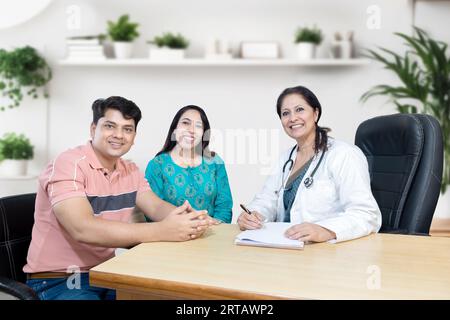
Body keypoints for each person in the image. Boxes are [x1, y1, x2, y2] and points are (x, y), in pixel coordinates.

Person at [23, 96, 213, 300]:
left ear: (134, 136)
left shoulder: (130, 170)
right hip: (60, 279)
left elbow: (156, 207)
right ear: (93, 128)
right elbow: (82, 228)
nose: (119, 135)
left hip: (107, 273)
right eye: (110, 126)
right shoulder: (68, 164)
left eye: (127, 129)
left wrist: (189, 218)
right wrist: (162, 230)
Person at [237, 86, 381, 243]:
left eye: (299, 109)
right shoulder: (286, 158)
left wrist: (326, 230)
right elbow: (267, 198)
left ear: (316, 113)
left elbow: (366, 214)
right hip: (285, 245)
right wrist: (253, 215)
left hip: (326, 252)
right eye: (286, 113)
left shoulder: (344, 154)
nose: (292, 118)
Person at [145, 105, 233, 224]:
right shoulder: (157, 164)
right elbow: (152, 211)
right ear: (175, 129)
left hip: (211, 233)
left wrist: (213, 225)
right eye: (185, 123)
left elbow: (224, 207)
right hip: (172, 237)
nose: (191, 130)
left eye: (198, 126)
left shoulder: (214, 162)